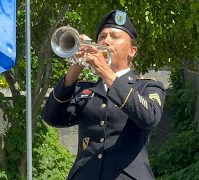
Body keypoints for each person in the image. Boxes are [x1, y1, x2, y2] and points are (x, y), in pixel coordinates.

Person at [42, 10, 166, 180]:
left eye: (114, 36)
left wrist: (106, 73)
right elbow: (52, 117)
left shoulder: (148, 86)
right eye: (102, 37)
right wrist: (75, 68)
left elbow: (149, 117)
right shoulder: (86, 89)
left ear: (132, 50)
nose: (106, 41)